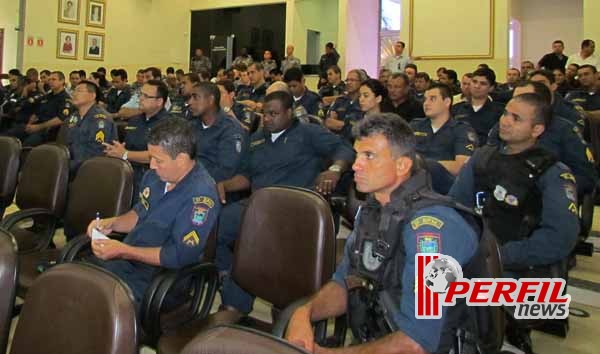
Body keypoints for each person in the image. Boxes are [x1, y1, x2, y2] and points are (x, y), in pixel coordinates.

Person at [286, 114, 480, 354]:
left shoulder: (431, 232)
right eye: (356, 155)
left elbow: (416, 344)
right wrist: (305, 312)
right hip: (379, 338)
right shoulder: (373, 212)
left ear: (402, 165)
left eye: (369, 156)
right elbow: (345, 283)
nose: (356, 165)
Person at [449, 93, 579, 354]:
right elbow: (454, 208)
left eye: (515, 118)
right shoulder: (482, 158)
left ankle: (507, 333)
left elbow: (559, 239)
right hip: (475, 255)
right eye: (505, 113)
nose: (504, 121)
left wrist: (495, 257)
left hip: (519, 266)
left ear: (537, 129)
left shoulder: (553, 173)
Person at [216, 91, 355, 314]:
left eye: (274, 114)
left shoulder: (309, 133)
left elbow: (345, 149)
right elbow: (246, 176)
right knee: (215, 225)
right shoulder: (256, 139)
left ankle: (237, 302)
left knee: (255, 242)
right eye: (264, 114)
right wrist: (223, 186)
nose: (267, 118)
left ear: (290, 112)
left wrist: (334, 170)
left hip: (295, 208)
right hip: (258, 203)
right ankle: (226, 278)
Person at [86, 117, 220, 305]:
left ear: (181, 159)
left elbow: (178, 255)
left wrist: (125, 251)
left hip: (163, 279)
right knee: (74, 277)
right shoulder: (155, 176)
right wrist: (112, 223)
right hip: (130, 262)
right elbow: (139, 213)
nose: (151, 166)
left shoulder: (200, 197)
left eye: (158, 160)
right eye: (151, 158)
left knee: (94, 300)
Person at [487, 80, 597, 197]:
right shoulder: (503, 126)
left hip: (548, 197)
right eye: (515, 98)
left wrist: (549, 186)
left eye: (526, 98)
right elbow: (487, 160)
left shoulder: (565, 130)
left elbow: (587, 178)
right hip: (501, 194)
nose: (517, 104)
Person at [104, 80, 171, 199]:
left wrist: (125, 154)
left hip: (152, 178)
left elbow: (157, 156)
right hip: (128, 173)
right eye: (140, 94)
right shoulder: (135, 120)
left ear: (159, 101)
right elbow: (127, 147)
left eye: (146, 96)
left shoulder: (168, 123)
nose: (140, 99)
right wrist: (116, 150)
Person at [411, 83, 478, 194]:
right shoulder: (414, 125)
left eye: (432, 99)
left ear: (447, 102)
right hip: (412, 182)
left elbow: (461, 166)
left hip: (442, 187)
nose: (426, 103)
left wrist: (424, 165)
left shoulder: (461, 130)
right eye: (425, 99)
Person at [188, 82, 246, 183]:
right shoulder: (193, 125)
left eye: (195, 97)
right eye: (190, 98)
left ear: (211, 100)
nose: (190, 102)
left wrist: (190, 178)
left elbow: (225, 172)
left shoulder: (230, 129)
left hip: (213, 188)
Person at [66, 80, 117, 174]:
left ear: (92, 96)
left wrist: (66, 168)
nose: (74, 94)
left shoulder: (101, 119)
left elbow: (96, 153)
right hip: (73, 165)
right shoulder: (74, 116)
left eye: (79, 91)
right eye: (74, 91)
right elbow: (69, 144)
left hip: (93, 170)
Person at [14, 71, 73, 146]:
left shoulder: (66, 99)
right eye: (49, 80)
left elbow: (60, 119)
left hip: (48, 130)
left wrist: (38, 127)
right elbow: (37, 112)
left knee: (28, 143)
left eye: (54, 79)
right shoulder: (47, 96)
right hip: (35, 125)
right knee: (10, 135)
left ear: (62, 81)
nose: (50, 82)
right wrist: (29, 124)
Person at [451, 67, 504, 144]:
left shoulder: (499, 111)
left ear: (491, 88)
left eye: (483, 83)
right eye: (474, 82)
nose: (477, 86)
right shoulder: (456, 109)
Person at [325, 69, 367, 142]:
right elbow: (328, 122)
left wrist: (338, 124)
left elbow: (357, 129)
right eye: (347, 80)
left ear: (361, 82)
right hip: (336, 141)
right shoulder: (340, 100)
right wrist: (345, 125)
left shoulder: (364, 102)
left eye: (352, 80)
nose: (348, 83)